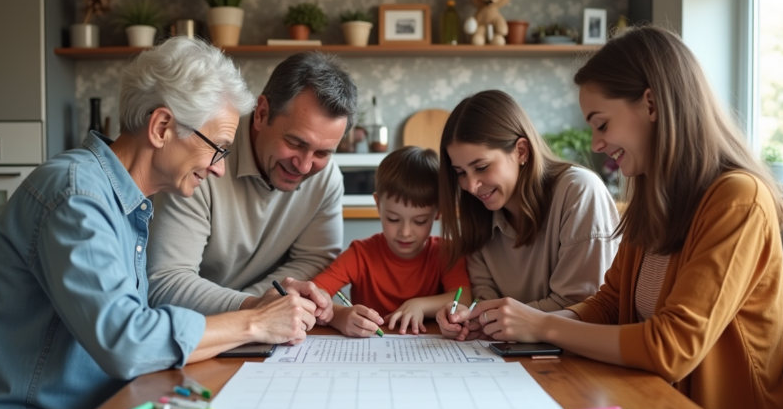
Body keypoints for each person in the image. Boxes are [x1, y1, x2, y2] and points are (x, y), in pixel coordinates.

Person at [0, 37, 328, 409]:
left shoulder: (125, 203)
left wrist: (256, 321)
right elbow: (128, 341)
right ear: (163, 126)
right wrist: (252, 321)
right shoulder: (76, 197)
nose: (219, 170)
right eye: (217, 148)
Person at [464, 26, 783, 409]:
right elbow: (608, 303)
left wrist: (543, 326)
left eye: (601, 124)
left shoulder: (738, 199)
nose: (595, 143)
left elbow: (672, 347)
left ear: (652, 104)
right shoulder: (652, 197)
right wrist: (527, 327)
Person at [146, 52, 357, 318]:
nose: (304, 166)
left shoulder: (326, 179)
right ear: (262, 113)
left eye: (322, 153)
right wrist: (253, 307)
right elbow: (165, 281)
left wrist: (258, 304)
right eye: (295, 143)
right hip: (186, 327)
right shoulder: (200, 159)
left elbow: (314, 261)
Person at [435, 90, 620, 339]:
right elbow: (486, 298)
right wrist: (468, 317)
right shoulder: (477, 212)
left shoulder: (580, 192)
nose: (471, 186)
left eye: (481, 167)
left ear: (521, 151)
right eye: (460, 172)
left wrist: (489, 317)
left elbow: (584, 308)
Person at [312, 146, 472, 336]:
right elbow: (316, 293)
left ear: (438, 213)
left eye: (419, 221)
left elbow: (464, 299)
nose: (405, 232)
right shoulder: (360, 254)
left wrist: (419, 305)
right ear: (379, 205)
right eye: (393, 219)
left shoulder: (447, 252)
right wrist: (340, 315)